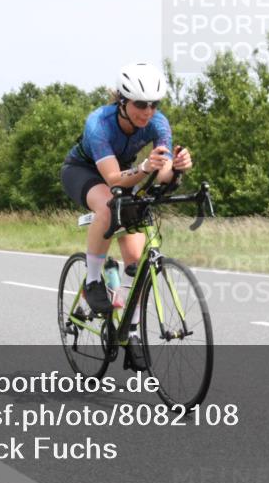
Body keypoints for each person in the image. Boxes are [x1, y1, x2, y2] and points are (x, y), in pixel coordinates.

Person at [60, 63, 193, 368]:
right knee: (108, 206)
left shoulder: (159, 124)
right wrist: (145, 168)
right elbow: (113, 180)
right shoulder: (99, 123)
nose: (147, 112)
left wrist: (178, 166)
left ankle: (130, 330)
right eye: (140, 104)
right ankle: (93, 282)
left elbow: (162, 176)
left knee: (136, 261)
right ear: (122, 100)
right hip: (85, 172)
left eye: (153, 104)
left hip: (126, 174)